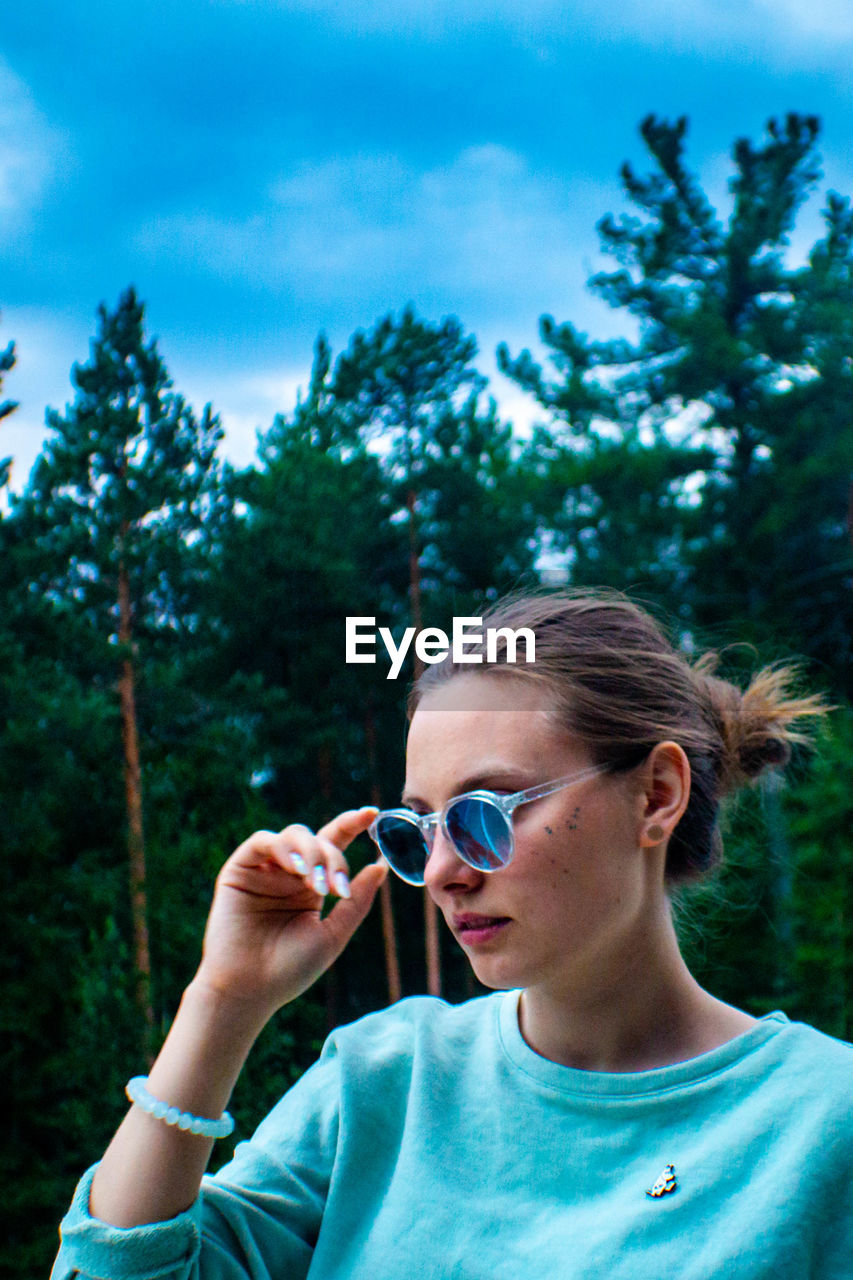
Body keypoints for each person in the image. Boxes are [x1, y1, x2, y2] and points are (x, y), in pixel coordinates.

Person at [53, 590, 853, 1279]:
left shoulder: (822, 1123)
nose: (440, 872)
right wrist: (224, 999)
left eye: (484, 815)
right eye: (416, 829)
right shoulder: (381, 1085)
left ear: (655, 794)